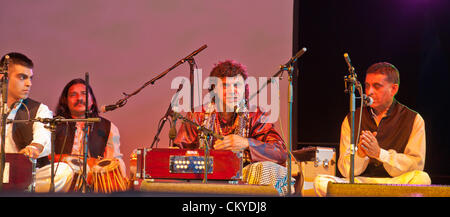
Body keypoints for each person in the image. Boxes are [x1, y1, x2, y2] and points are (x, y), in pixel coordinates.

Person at [173, 60, 294, 195]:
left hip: (244, 182)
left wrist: (247, 143)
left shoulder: (255, 116)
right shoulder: (197, 116)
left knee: (266, 169)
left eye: (237, 85)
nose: (232, 91)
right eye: (225, 86)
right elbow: (176, 156)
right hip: (204, 180)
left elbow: (281, 152)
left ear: (245, 89)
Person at [314, 62, 431, 197]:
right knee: (321, 182)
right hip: (363, 183)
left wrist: (380, 153)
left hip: (395, 184)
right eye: (367, 86)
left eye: (377, 86)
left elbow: (416, 165)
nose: (369, 92)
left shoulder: (414, 119)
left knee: (422, 178)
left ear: (393, 89)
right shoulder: (352, 119)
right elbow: (345, 171)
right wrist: (360, 155)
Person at [0, 52, 74, 192]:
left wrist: (34, 148)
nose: (29, 83)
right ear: (3, 78)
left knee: (62, 171)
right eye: (22, 77)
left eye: (30, 78)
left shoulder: (38, 109)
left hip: (24, 176)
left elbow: (43, 134)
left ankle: (19, 191)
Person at [54, 78, 126, 184]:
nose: (79, 98)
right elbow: (46, 158)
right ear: (65, 101)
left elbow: (115, 160)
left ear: (92, 100)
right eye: (73, 95)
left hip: (94, 184)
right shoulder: (54, 124)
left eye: (84, 94)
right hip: (61, 183)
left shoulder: (108, 127)